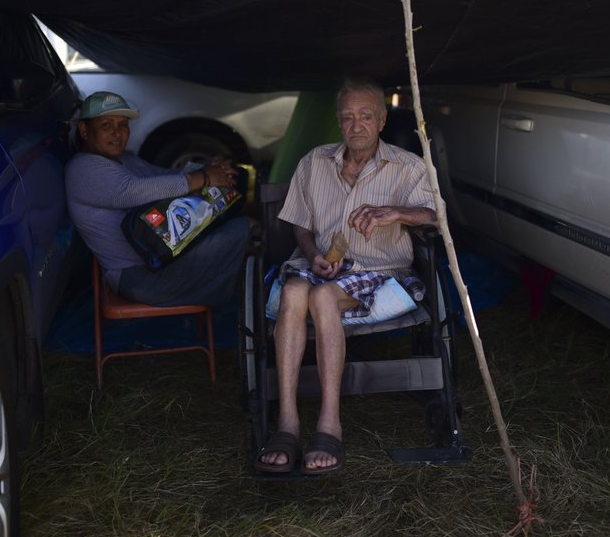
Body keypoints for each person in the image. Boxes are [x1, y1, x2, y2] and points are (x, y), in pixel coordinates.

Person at [254, 77, 436, 475]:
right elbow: (301, 225)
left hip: (378, 268)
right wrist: (314, 253)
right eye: (349, 117)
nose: (357, 125)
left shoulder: (407, 167)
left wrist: (397, 212)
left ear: (382, 119)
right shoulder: (314, 162)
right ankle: (287, 422)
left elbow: (438, 215)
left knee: (321, 298)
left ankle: (329, 424)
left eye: (366, 116)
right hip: (319, 265)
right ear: (339, 121)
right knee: (293, 292)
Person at [65, 90, 250, 308]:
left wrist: (207, 169)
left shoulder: (125, 159)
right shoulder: (82, 168)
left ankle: (250, 300)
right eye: (106, 125)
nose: (117, 133)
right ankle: (255, 307)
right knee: (243, 230)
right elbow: (132, 191)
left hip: (164, 257)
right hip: (140, 277)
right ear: (84, 131)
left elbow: (163, 177)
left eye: (123, 125)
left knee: (235, 225)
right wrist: (202, 177)